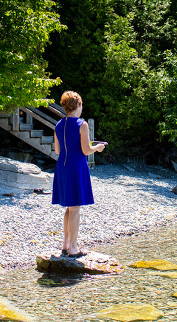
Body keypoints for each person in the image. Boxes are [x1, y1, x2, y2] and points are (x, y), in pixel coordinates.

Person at [51, 91, 106, 257]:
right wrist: (98, 147)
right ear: (78, 105)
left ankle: (66, 244)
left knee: (70, 207)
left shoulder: (58, 125)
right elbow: (85, 150)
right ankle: (73, 247)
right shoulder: (82, 125)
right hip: (76, 166)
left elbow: (58, 150)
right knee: (75, 208)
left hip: (62, 165)